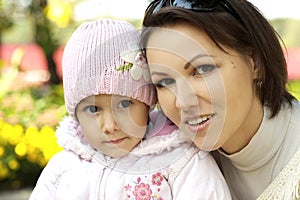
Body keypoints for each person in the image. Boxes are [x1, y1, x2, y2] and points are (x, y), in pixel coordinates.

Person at [29, 18, 231, 199]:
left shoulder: (184, 163)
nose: (110, 126)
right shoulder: (62, 169)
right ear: (75, 115)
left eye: (125, 104)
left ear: (147, 104)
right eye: (92, 109)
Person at [140, 0, 300, 199]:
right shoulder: (171, 159)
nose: (182, 102)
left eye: (202, 69)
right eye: (164, 82)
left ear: (255, 62)